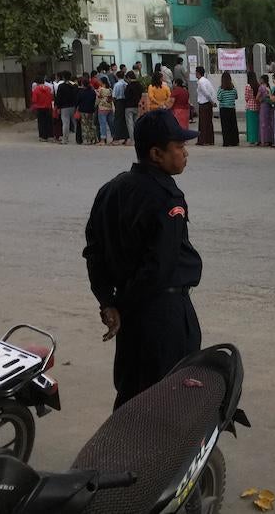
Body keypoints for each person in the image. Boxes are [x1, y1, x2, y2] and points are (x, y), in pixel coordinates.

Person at [83, 109, 202, 410]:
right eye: (179, 146)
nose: (185, 153)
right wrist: (120, 304)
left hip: (129, 318)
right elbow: (158, 268)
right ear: (156, 154)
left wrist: (109, 302)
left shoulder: (110, 190)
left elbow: (94, 253)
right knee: (168, 400)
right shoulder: (166, 199)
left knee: (131, 395)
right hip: (163, 315)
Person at [55, 72, 79, 145]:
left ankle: (65, 139)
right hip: (73, 106)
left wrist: (58, 107)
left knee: (65, 123)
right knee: (75, 123)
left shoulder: (61, 86)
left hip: (64, 107)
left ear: (63, 78)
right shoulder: (74, 86)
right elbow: (77, 96)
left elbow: (58, 97)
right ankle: (78, 138)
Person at [217, 71, 240, 147]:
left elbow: (219, 98)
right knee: (233, 125)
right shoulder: (233, 89)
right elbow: (236, 97)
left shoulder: (221, 89)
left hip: (224, 109)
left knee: (225, 126)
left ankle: (226, 142)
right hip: (232, 109)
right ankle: (234, 141)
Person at [195, 66, 216, 146]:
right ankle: (210, 140)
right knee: (208, 122)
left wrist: (211, 101)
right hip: (208, 104)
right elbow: (212, 91)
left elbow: (206, 92)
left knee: (203, 123)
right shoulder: (207, 81)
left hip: (204, 104)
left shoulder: (201, 82)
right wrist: (212, 101)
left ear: (198, 73)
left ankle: (203, 140)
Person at [31, 76, 54, 142]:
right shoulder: (48, 89)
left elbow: (34, 100)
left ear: (37, 83)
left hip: (40, 108)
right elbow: (51, 97)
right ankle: (50, 136)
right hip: (48, 107)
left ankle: (43, 137)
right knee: (49, 122)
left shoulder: (36, 90)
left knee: (41, 123)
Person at [123, 71, 143, 142]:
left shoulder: (129, 86)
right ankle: (138, 138)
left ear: (128, 77)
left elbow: (126, 95)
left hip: (129, 106)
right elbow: (141, 94)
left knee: (130, 124)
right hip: (136, 106)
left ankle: (132, 139)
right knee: (136, 123)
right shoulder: (139, 85)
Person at [77, 79, 98, 145]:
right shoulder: (92, 92)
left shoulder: (81, 92)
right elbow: (95, 100)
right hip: (91, 110)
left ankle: (87, 139)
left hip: (83, 110)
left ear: (83, 84)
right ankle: (93, 138)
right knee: (91, 125)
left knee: (84, 126)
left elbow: (78, 101)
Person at [96, 76, 114, 145]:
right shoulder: (110, 89)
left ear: (102, 82)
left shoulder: (100, 89)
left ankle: (103, 140)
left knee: (102, 124)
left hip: (102, 108)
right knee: (111, 124)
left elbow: (97, 100)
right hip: (109, 108)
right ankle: (114, 137)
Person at [112, 71, 129, 145]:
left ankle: (116, 138)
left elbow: (114, 96)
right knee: (125, 120)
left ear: (117, 76)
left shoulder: (116, 84)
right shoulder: (126, 84)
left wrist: (114, 104)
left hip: (119, 102)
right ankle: (126, 138)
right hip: (125, 102)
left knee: (117, 120)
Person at [258, 74, 274, 147]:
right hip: (269, 106)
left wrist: (261, 99)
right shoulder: (269, 87)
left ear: (263, 80)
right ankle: (269, 140)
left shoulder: (261, 87)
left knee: (263, 124)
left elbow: (257, 98)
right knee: (269, 124)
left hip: (263, 106)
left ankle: (263, 141)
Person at [245, 71, 260, 145]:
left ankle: (252, 139)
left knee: (250, 124)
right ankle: (257, 138)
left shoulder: (248, 86)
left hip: (250, 106)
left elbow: (246, 97)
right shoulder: (258, 85)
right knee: (256, 124)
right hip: (257, 106)